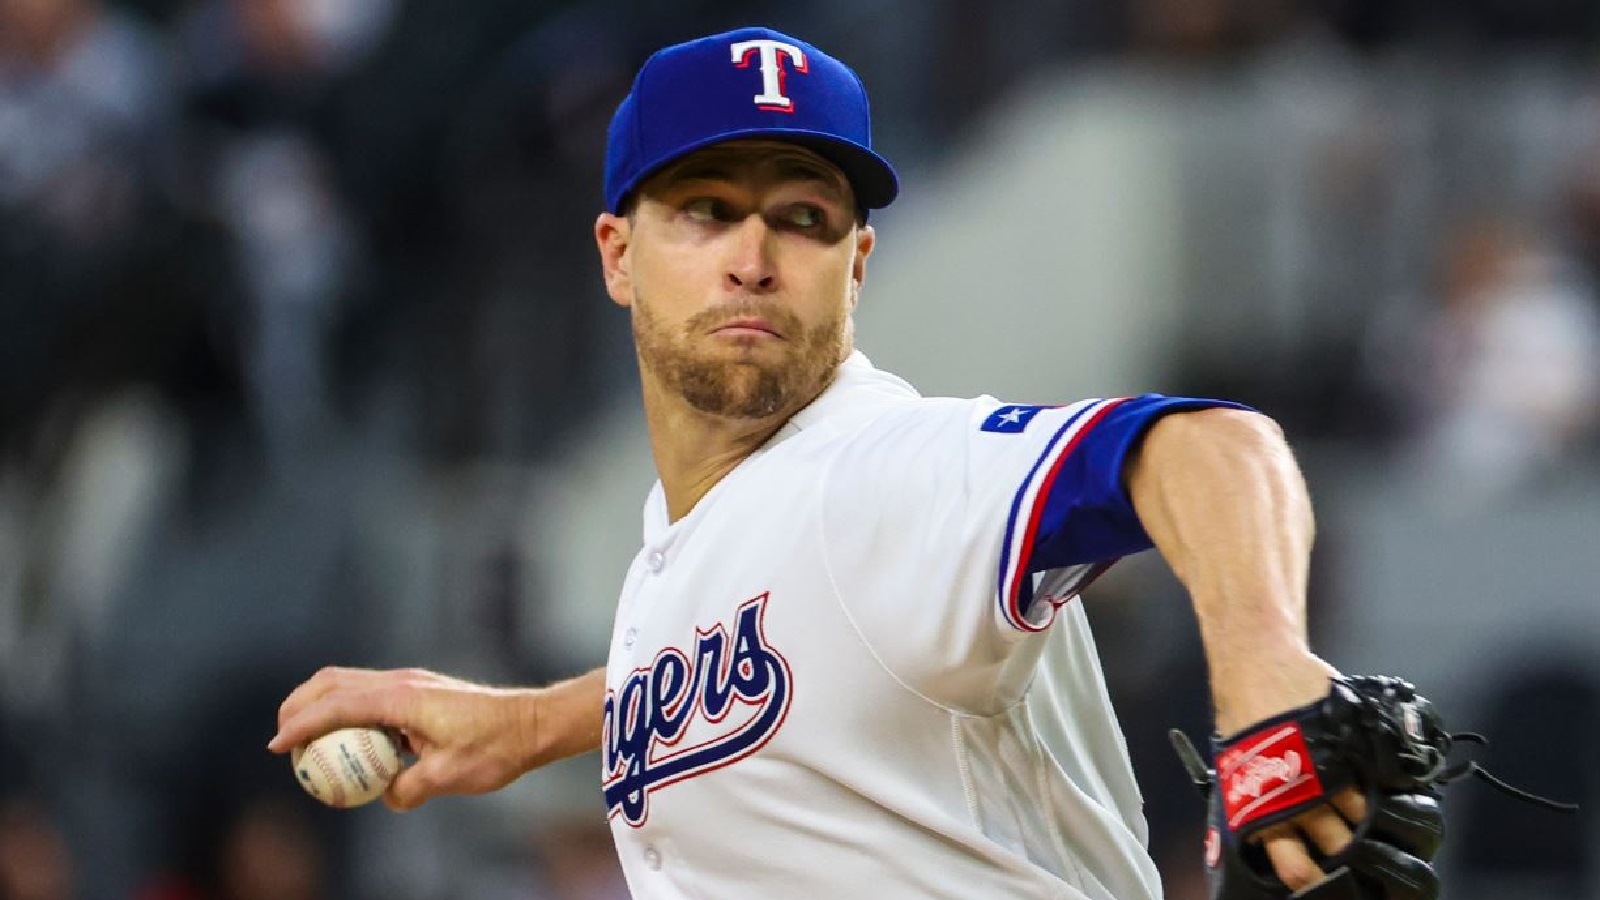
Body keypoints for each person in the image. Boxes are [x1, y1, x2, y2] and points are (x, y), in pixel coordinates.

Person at [270, 26, 1367, 899]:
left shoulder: (884, 472)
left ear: (856, 266)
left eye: (800, 218)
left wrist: (1264, 661)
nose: (753, 259)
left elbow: (1206, 443)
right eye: (705, 210)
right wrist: (530, 723)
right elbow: (797, 653)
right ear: (616, 253)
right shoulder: (697, 537)